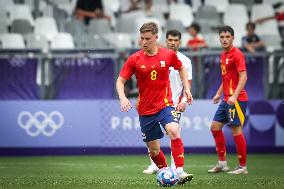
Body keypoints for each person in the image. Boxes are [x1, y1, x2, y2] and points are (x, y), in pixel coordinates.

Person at [116, 22, 193, 185]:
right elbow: (120, 80)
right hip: (145, 109)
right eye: (142, 38)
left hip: (165, 104)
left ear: (156, 38)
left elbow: (181, 69)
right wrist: (123, 98)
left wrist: (187, 89)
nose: (144, 42)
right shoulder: (135, 59)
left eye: (148, 39)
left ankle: (179, 171)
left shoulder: (168, 55)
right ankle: (166, 173)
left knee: (174, 130)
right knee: (154, 150)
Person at [143, 29, 192, 174]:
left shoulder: (186, 61)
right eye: (170, 40)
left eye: (176, 40)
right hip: (154, 102)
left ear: (180, 42)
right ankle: (154, 164)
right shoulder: (158, 56)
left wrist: (183, 99)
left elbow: (187, 82)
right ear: (166, 41)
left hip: (174, 103)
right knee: (152, 134)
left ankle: (176, 168)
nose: (173, 43)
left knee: (174, 132)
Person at [208, 26, 249, 174]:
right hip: (226, 99)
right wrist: (219, 93)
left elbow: (244, 77)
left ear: (233, 38)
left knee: (236, 130)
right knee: (215, 127)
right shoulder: (223, 55)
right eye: (222, 37)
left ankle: (242, 166)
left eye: (227, 37)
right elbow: (226, 78)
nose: (224, 39)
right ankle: (222, 163)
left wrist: (234, 96)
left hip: (237, 99)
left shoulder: (237, 54)